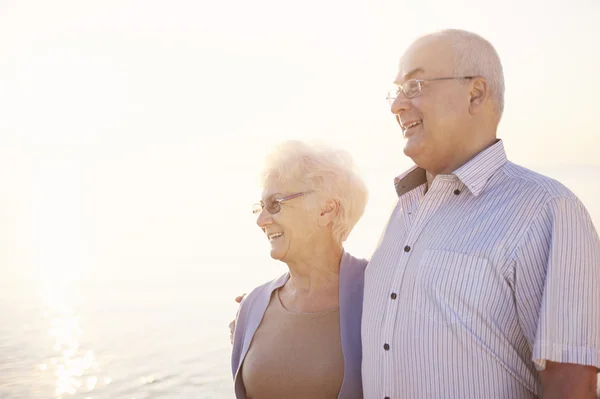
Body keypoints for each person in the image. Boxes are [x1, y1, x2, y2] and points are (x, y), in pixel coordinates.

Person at [362, 29, 600, 398]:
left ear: (475, 93)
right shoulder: (402, 210)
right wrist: (270, 307)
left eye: (415, 85)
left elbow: (571, 384)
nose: (397, 106)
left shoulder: (547, 209)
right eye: (397, 91)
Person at [230, 140, 369, 399]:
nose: (261, 221)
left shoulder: (382, 291)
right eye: (260, 207)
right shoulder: (252, 305)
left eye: (275, 204)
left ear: (326, 210)